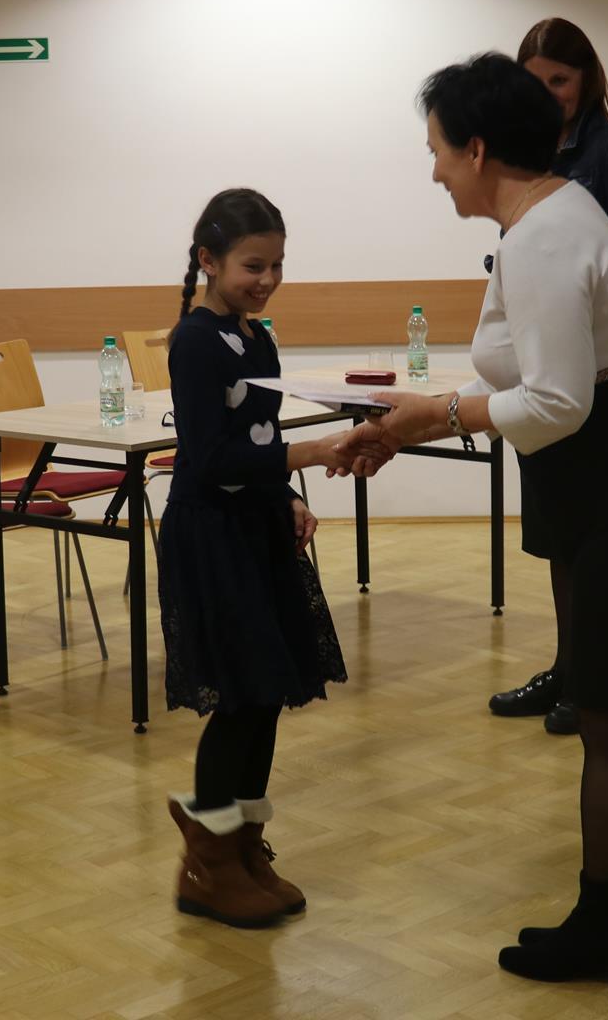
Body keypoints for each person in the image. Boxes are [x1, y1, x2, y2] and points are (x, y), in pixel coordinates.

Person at [340, 54, 608, 985]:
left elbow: (557, 403)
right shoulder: (546, 216)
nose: (434, 171)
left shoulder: (542, 236)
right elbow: (530, 372)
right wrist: (417, 420)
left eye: (438, 151)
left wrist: (435, 415)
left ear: (478, 148)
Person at [160, 188, 381, 929]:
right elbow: (209, 457)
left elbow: (257, 437)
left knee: (266, 694)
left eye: (278, 265)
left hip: (254, 526)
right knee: (239, 696)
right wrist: (312, 453)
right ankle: (207, 864)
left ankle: (243, 849)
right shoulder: (194, 343)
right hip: (211, 537)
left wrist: (285, 495)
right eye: (253, 266)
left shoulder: (255, 339)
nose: (268, 279)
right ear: (208, 261)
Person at [489, 17, 608, 736]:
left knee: (596, 545)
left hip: (604, 379)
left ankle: (597, 678)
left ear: (587, 80)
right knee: (559, 537)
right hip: (545, 367)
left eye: (559, 80)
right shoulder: (526, 156)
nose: (547, 95)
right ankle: (570, 667)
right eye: (533, 83)